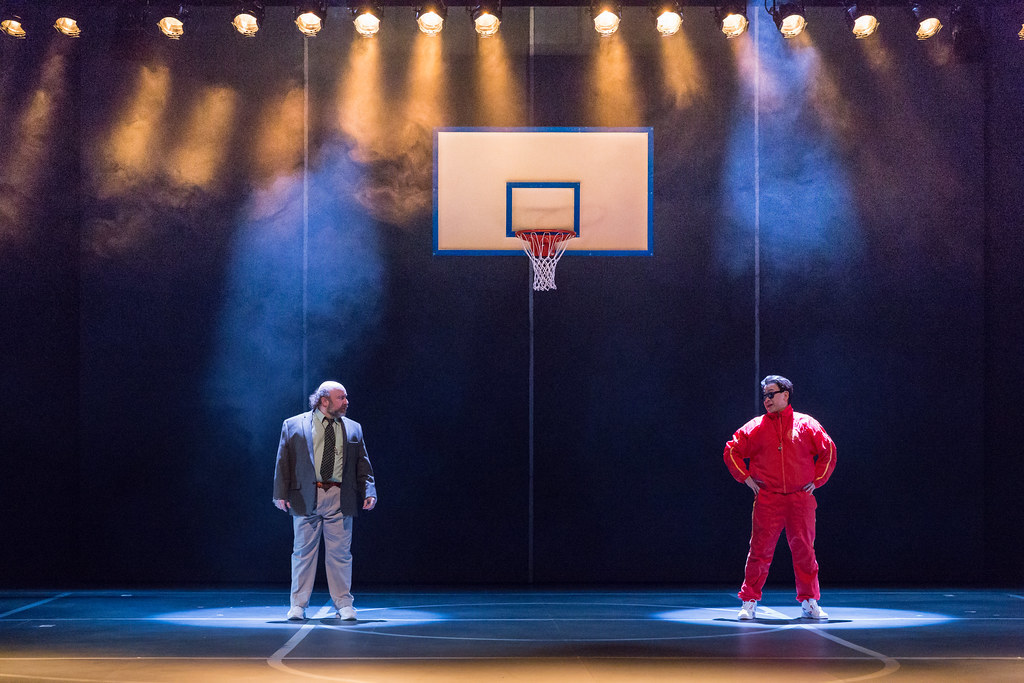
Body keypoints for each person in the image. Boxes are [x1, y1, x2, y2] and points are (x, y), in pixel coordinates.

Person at [723, 375, 836, 621]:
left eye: (771, 394)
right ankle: (749, 601)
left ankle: (809, 601)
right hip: (769, 498)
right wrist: (745, 477)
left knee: (805, 550)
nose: (767, 399)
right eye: (764, 395)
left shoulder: (806, 424)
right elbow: (732, 449)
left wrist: (817, 482)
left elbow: (828, 451)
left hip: (799, 498)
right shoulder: (756, 427)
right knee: (760, 551)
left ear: (786, 394)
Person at [273, 381, 377, 621]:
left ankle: (343, 604)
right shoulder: (294, 424)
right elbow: (283, 461)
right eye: (341, 397)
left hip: (340, 496)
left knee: (340, 554)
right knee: (302, 553)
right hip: (306, 495)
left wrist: (369, 490)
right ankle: (298, 605)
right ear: (324, 400)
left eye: (346, 397)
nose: (346, 401)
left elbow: (363, 462)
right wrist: (280, 493)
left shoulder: (353, 428)